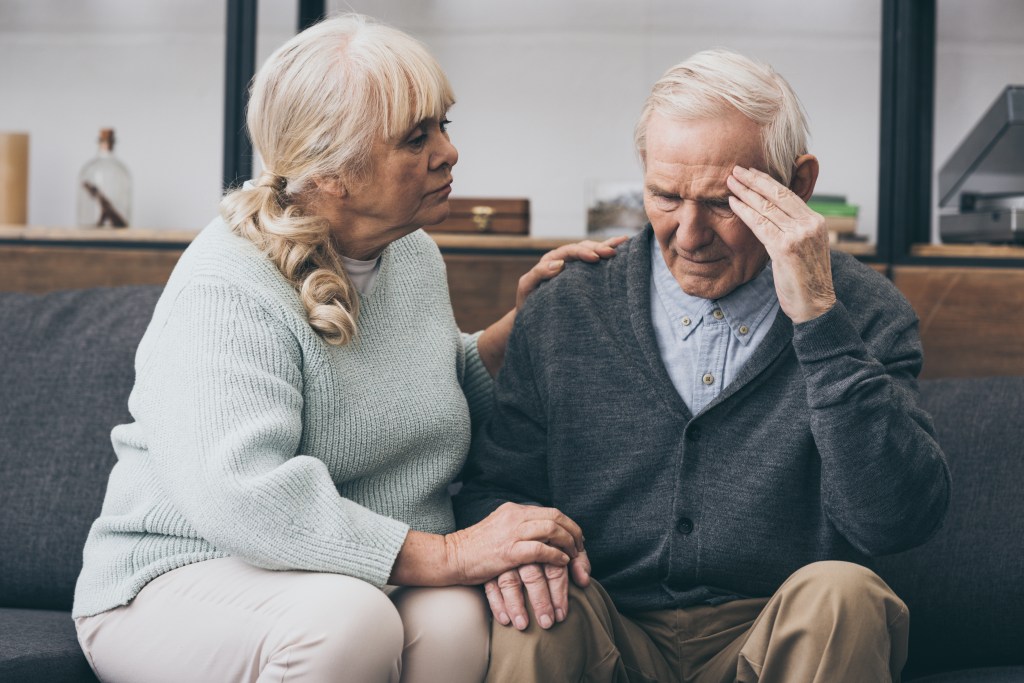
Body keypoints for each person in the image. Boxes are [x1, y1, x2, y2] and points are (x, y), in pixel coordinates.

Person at [72, 14, 622, 683]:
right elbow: (243, 496)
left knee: (455, 620)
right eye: (415, 138)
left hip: (332, 573)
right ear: (330, 172)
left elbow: (428, 387)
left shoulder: (411, 254)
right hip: (175, 576)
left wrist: (519, 331)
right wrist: (446, 552)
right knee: (348, 623)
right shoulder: (227, 283)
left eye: (444, 125)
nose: (447, 153)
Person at [454, 48, 951, 683]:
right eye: (664, 196)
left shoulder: (865, 311)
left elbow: (896, 521)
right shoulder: (567, 305)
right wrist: (516, 549)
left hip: (778, 635)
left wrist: (821, 323)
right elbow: (493, 490)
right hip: (605, 624)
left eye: (721, 202)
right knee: (532, 611)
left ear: (797, 186)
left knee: (844, 593)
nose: (688, 234)